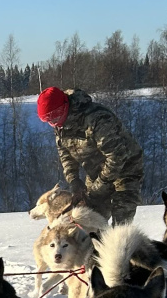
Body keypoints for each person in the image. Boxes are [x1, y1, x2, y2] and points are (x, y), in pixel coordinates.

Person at [36, 85, 144, 225]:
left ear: (65, 105)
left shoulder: (97, 119)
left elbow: (116, 156)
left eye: (55, 116)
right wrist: (74, 181)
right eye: (48, 120)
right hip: (96, 171)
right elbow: (65, 153)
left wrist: (97, 189)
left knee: (121, 223)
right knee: (87, 220)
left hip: (126, 169)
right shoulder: (60, 126)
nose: (53, 122)